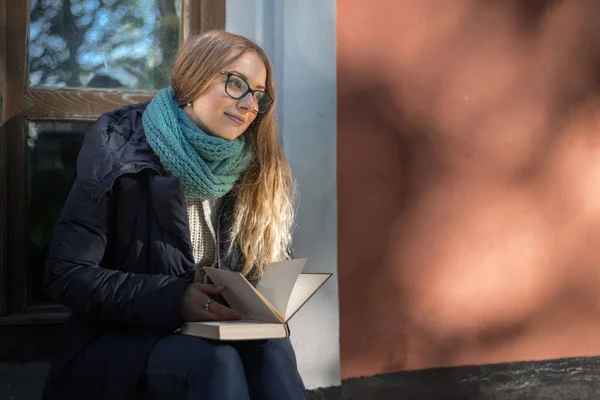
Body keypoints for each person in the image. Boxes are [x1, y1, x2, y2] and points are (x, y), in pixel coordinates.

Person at [41, 30, 307, 400]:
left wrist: (256, 302)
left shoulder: (253, 169)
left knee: (273, 351)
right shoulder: (119, 152)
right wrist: (175, 298)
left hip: (216, 337)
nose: (249, 104)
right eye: (236, 84)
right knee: (215, 362)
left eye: (259, 95)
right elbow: (66, 274)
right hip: (123, 345)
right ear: (193, 79)